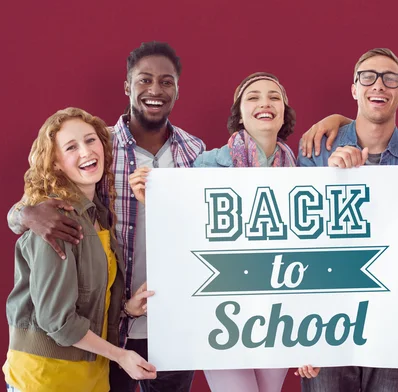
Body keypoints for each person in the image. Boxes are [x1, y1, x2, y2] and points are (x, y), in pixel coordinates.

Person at [7, 42, 204, 392]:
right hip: (108, 332)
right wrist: (26, 215)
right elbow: (34, 207)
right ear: (128, 87)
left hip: (172, 319)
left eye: (166, 81)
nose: (155, 90)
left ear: (177, 88)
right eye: (144, 80)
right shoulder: (100, 146)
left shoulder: (194, 150)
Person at [129, 72, 320, 392]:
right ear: (240, 113)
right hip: (221, 311)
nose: (265, 103)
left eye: (274, 97)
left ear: (284, 111)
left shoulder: (298, 173)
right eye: (253, 97)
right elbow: (187, 228)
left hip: (278, 314)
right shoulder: (209, 166)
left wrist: (308, 336)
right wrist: (155, 200)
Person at [296, 48, 398, 392]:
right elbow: (300, 243)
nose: (378, 85)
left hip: (396, 318)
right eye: (367, 77)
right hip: (326, 320)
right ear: (354, 88)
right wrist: (332, 180)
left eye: (390, 78)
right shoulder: (316, 150)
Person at [3, 108, 156, 392]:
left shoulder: (96, 216)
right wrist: (121, 356)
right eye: (71, 147)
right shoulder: (55, 221)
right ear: (56, 163)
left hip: (89, 377)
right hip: (46, 379)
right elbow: (58, 321)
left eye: (90, 140)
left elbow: (87, 300)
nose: (86, 151)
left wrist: (127, 308)